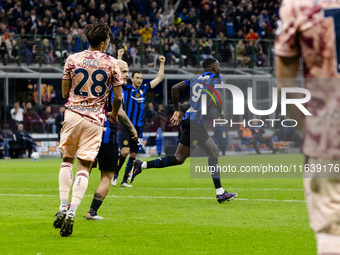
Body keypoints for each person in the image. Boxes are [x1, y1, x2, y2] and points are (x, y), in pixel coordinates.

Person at [275, 0, 340, 254]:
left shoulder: (297, 5)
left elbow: (285, 88)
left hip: (328, 136)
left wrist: (309, 132)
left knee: (332, 234)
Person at [130, 58, 237, 203]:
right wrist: (221, 113)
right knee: (213, 152)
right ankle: (220, 192)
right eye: (218, 65)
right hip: (196, 123)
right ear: (213, 67)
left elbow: (174, 88)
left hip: (188, 120)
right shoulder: (217, 79)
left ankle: (141, 165)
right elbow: (216, 99)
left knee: (179, 158)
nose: (219, 68)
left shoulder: (194, 79)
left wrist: (177, 110)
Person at [53, 21, 123, 237]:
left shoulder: (72, 59)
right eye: (108, 41)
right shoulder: (112, 63)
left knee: (67, 161)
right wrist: (112, 112)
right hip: (95, 120)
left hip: (72, 114)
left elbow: (65, 91)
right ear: (103, 43)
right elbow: (118, 97)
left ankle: (62, 205)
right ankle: (73, 209)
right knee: (84, 166)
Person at [86, 60, 138, 220]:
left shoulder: (93, 84)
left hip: (89, 131)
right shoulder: (114, 89)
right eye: (124, 72)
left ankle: (69, 207)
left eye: (128, 73)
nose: (126, 75)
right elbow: (120, 112)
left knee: (83, 171)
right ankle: (92, 212)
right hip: (107, 134)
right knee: (107, 175)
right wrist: (131, 128)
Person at [111, 49, 165, 187]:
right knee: (124, 152)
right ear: (132, 79)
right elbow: (117, 73)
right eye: (137, 78)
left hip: (139, 128)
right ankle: (115, 173)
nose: (139, 80)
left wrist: (162, 64)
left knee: (133, 156)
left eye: (141, 78)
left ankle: (124, 181)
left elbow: (159, 79)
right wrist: (120, 57)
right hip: (127, 126)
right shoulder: (127, 88)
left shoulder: (144, 89)